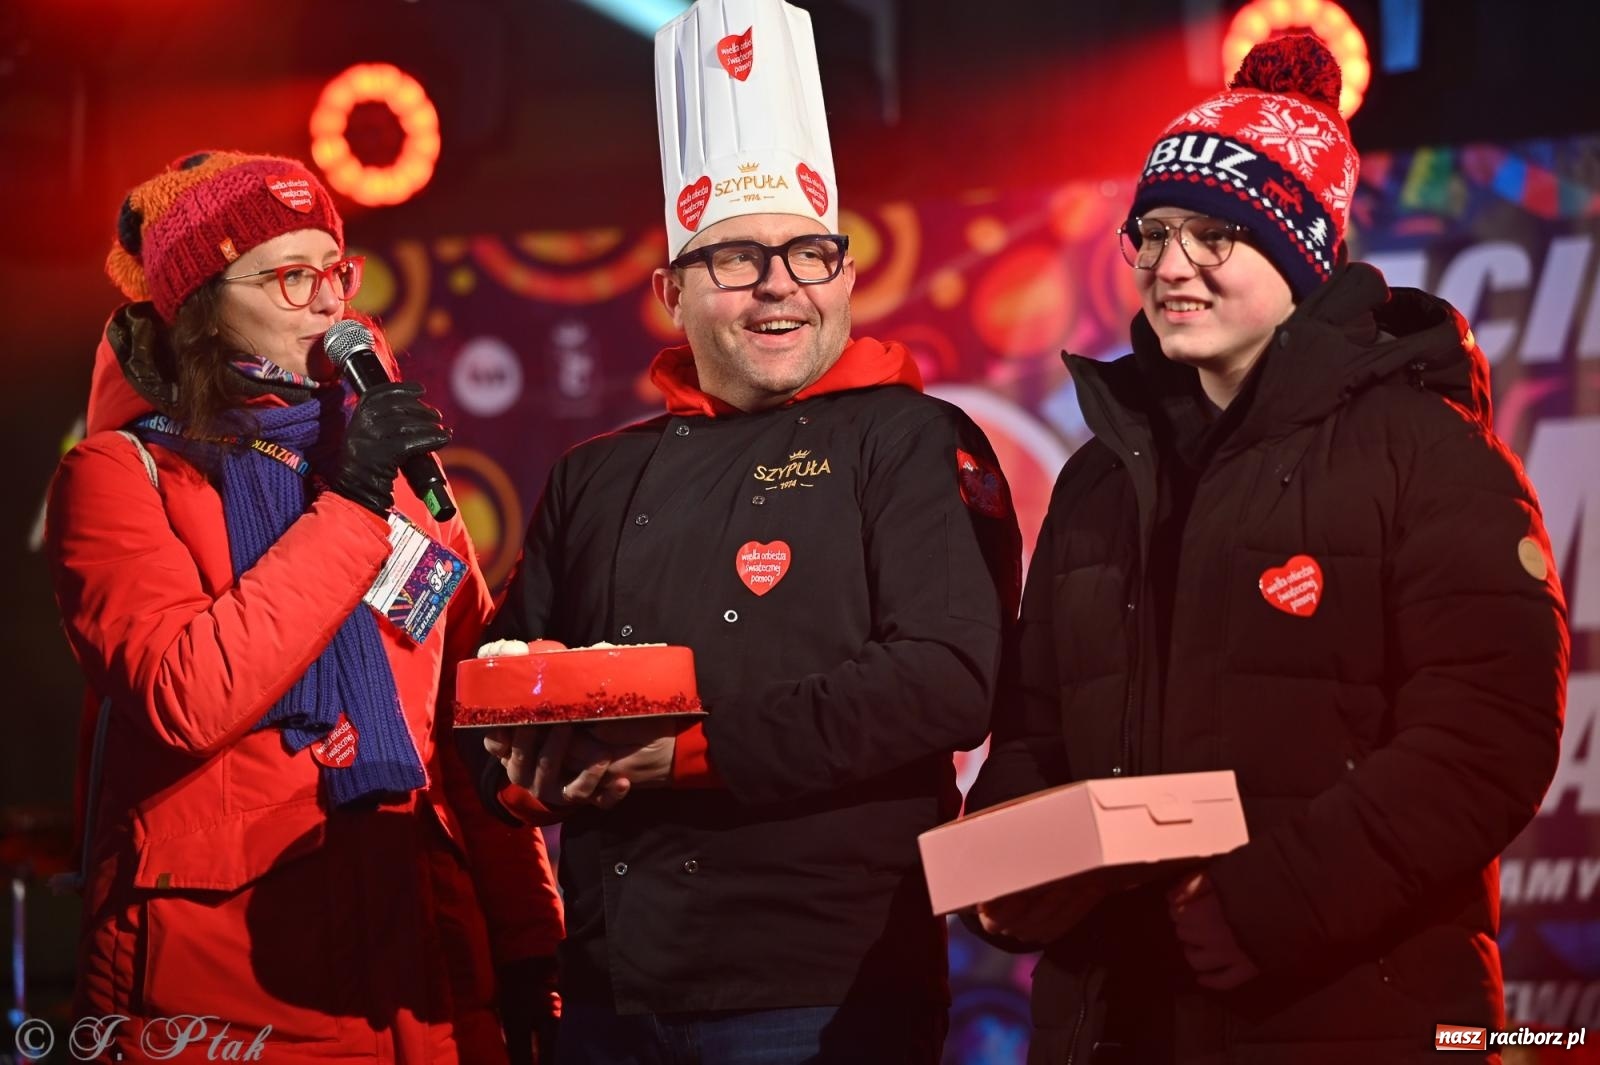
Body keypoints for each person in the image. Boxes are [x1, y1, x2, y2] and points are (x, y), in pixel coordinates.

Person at [967, 34, 1569, 1065]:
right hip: (1112, 1020)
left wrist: (1267, 904)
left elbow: (1485, 738)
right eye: (1151, 234)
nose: (1169, 266)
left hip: (1347, 1011)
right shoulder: (1101, 474)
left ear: (1298, 248)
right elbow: (1032, 725)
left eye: (1213, 235)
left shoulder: (1427, 454)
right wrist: (1010, 863)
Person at [474, 1, 1021, 1061]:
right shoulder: (593, 476)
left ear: (848, 278)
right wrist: (514, 771)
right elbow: (510, 684)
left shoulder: (911, 438)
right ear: (670, 291)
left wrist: (681, 751)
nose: (779, 284)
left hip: (823, 985)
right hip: (609, 986)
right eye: (735, 261)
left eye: (809, 254)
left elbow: (947, 679)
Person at [45, 150, 563, 1064]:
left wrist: (527, 940)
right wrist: (355, 499)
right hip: (227, 994)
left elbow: (467, 728)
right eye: (291, 277)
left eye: (336, 269)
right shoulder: (120, 476)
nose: (331, 301)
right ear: (200, 309)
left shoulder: (392, 473)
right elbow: (187, 692)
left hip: (429, 981)